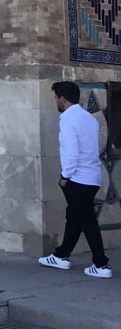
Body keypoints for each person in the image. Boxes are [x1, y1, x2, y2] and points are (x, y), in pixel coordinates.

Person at [38, 81, 111, 278]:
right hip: (92, 177)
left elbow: (71, 152)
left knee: (86, 220)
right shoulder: (89, 118)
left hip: (77, 178)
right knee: (76, 216)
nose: (55, 101)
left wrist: (65, 176)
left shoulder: (68, 120)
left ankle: (101, 264)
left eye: (55, 98)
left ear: (62, 98)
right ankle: (61, 255)